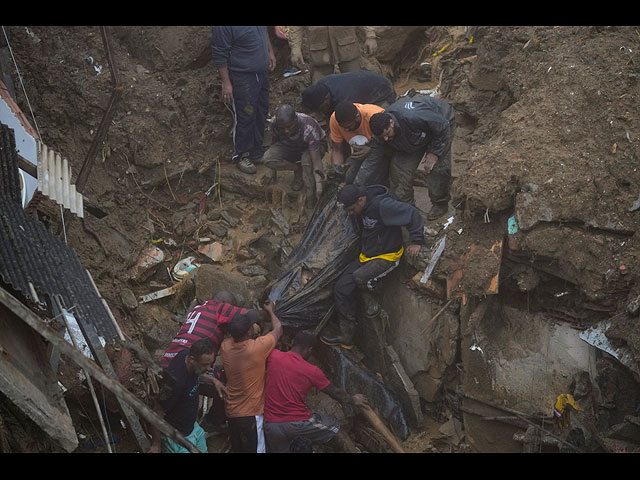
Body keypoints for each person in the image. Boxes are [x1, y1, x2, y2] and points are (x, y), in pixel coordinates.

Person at [321, 184, 425, 349]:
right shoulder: (362, 207)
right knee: (341, 288)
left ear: (361, 200)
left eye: (351, 209)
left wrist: (417, 241)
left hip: (387, 255)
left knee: (360, 277)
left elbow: (411, 213)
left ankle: (372, 297)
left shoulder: (382, 206)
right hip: (367, 255)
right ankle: (346, 334)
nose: (350, 213)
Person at [264, 330, 368, 453]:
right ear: (309, 349)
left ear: (293, 343)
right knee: (336, 431)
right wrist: (353, 399)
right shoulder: (312, 371)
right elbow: (333, 392)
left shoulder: (273, 356)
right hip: (296, 422)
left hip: (270, 424)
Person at [356, 95, 456, 220]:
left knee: (437, 169)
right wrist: (358, 185)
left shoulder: (413, 116)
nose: (386, 139)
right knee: (399, 170)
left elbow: (442, 126)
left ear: (391, 122)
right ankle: (407, 208)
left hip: (442, 124)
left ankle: (440, 203)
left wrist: (435, 152)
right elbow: (372, 161)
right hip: (412, 136)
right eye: (383, 137)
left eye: (387, 134)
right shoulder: (380, 134)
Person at [211, 26, 276, 175]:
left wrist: (270, 52)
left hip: (261, 72)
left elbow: (263, 31)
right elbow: (220, 53)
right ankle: (242, 154)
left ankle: (256, 151)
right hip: (242, 76)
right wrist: (226, 82)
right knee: (245, 115)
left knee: (261, 112)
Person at [220, 301, 283, 453]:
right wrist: (270, 311)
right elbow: (279, 329)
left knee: (239, 448)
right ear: (249, 332)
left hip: (231, 411)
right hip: (250, 413)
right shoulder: (257, 348)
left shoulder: (225, 347)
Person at [149, 338, 217, 453]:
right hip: (177, 437)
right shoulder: (174, 385)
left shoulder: (185, 354)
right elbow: (157, 411)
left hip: (192, 427)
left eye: (210, 363)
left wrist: (213, 380)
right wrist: (156, 444)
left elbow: (196, 374)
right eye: (205, 364)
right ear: (192, 360)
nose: (209, 368)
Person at [262, 104, 327, 204]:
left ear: (295, 119)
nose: (286, 131)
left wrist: (319, 184)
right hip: (290, 146)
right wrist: (272, 171)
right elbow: (274, 143)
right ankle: (297, 169)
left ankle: (310, 201)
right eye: (283, 128)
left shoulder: (308, 127)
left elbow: (317, 162)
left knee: (307, 162)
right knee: (267, 158)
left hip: (314, 148)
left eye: (289, 127)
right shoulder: (275, 122)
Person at [288, 26, 378, 84]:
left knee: (356, 84)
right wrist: (295, 48)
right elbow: (295, 27)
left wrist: (370, 36)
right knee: (320, 90)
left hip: (347, 45)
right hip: (319, 50)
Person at [301, 70, 397, 122]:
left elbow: (354, 122)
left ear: (326, 99)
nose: (320, 113)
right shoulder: (321, 84)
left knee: (378, 122)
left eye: (321, 109)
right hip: (364, 84)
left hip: (383, 93)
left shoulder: (346, 100)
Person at [330, 101, 384, 184]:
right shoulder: (335, 120)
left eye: (349, 126)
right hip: (359, 153)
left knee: (365, 180)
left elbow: (389, 141)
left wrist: (372, 148)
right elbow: (337, 150)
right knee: (348, 178)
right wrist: (337, 171)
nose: (346, 130)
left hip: (381, 148)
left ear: (357, 117)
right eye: (343, 127)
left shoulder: (373, 115)